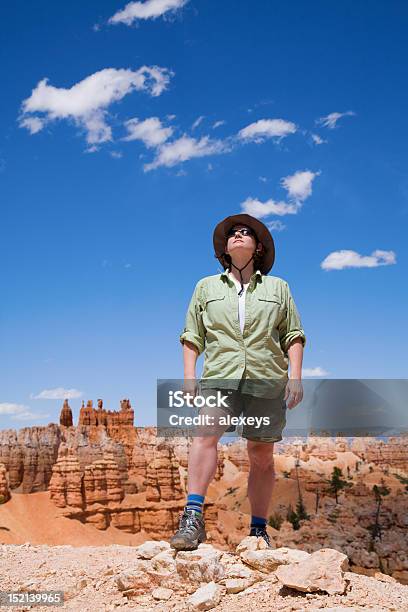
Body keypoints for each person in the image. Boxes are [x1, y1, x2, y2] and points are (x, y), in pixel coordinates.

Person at [170, 213, 306, 550]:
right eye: (233, 233)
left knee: (261, 453)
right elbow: (192, 335)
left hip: (266, 377)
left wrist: (296, 377)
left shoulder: (279, 288)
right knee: (205, 438)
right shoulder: (206, 288)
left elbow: (293, 335)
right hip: (219, 375)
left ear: (258, 247)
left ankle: (258, 530)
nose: (238, 235)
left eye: (246, 233)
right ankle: (192, 518)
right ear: (225, 249)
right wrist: (189, 376)